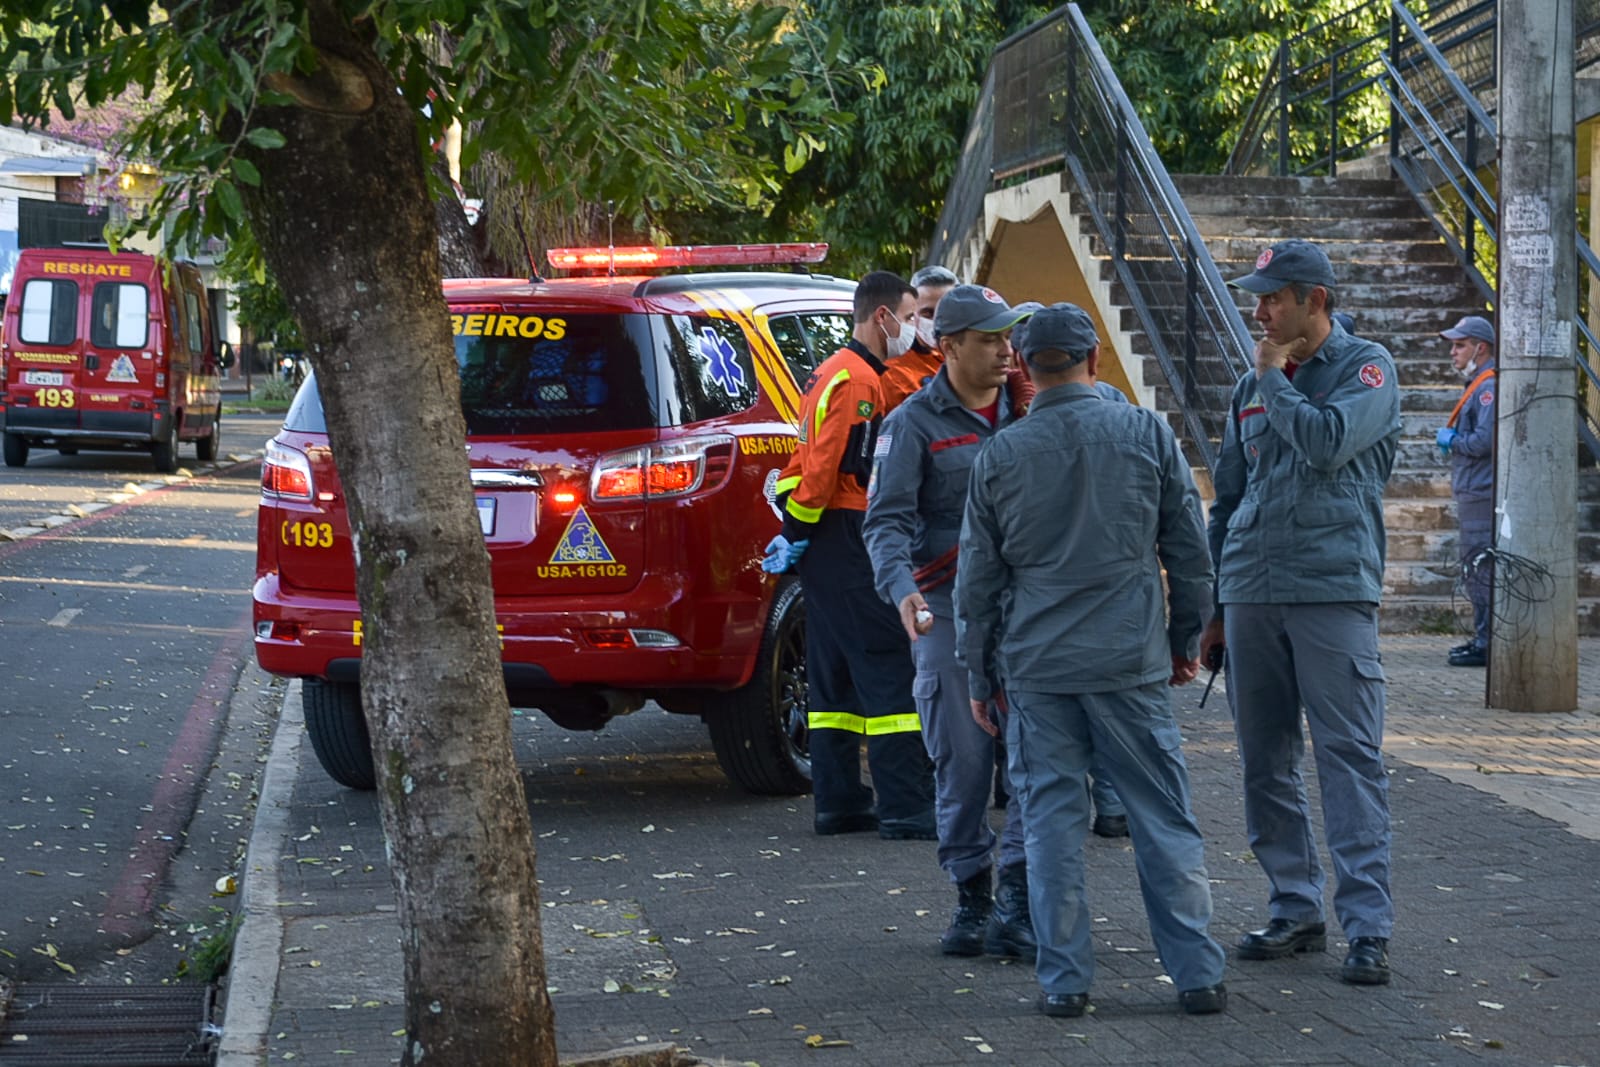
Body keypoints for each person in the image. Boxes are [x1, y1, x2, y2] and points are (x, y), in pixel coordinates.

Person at [956, 302, 1228, 1018]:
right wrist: (1183, 640)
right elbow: (1188, 553)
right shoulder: (1144, 433)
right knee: (1161, 816)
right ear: (1095, 360)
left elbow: (977, 585)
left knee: (1049, 822)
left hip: (1037, 668)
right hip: (1128, 659)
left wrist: (979, 675)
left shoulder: (1001, 455)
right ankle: (1196, 971)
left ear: (1022, 367)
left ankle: (1065, 981)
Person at [1202, 238, 1402, 987]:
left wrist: (1275, 381)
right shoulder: (1249, 383)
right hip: (1252, 590)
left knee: (1349, 758)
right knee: (1265, 761)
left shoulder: (1366, 368)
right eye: (1258, 297)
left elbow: (1326, 443)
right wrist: (1217, 602)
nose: (1259, 310)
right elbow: (1228, 498)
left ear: (1314, 299)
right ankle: (1294, 904)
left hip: (1331, 590)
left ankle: (1368, 926)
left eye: (1273, 296)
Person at [864, 284, 1035, 960]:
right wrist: (901, 591)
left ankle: (1019, 895)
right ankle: (972, 889)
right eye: (991, 338)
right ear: (951, 345)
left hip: (1029, 613)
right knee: (962, 761)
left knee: (1033, 757)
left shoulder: (1031, 410)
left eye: (1009, 336)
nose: (1005, 350)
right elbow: (885, 523)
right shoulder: (910, 423)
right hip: (947, 613)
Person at [767, 270, 936, 840]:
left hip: (825, 539)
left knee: (832, 672)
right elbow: (830, 470)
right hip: (847, 532)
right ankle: (907, 806)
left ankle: (839, 801)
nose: (912, 329)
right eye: (909, 317)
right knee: (887, 665)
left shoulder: (833, 370)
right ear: (882, 317)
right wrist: (800, 527)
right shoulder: (862, 382)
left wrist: (796, 535)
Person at [1005, 302, 1129, 837]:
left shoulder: (1009, 431)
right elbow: (1183, 542)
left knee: (1058, 753)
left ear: (1022, 357)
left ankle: (1098, 807)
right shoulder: (1134, 423)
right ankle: (1115, 805)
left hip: (1044, 618)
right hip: (1115, 610)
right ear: (1093, 358)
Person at [1435, 314, 1497, 668]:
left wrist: (1455, 440)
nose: (1453, 352)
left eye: (1460, 345)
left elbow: (1485, 440)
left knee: (1480, 568)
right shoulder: (1477, 383)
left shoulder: (1487, 386)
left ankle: (1486, 642)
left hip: (1481, 490)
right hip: (1473, 488)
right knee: (1475, 567)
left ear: (1480, 347)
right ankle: (1482, 637)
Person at [879, 265, 959, 413]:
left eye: (945, 311)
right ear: (911, 313)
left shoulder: (971, 355)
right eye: (928, 313)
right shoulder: (892, 373)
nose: (937, 321)